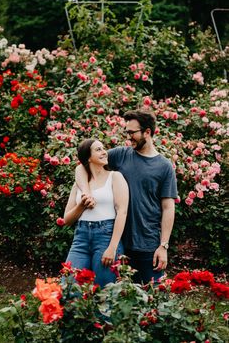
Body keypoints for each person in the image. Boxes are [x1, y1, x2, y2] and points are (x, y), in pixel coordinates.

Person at [75, 109, 178, 285]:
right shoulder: (120, 155)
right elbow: (82, 166)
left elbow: (168, 207)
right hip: (116, 242)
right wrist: (86, 191)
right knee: (115, 298)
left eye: (132, 133)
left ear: (147, 132)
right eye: (127, 132)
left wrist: (163, 246)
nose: (128, 137)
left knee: (150, 299)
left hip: (147, 244)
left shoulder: (164, 166)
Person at [63, 138, 129, 288]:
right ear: (88, 157)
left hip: (106, 236)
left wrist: (112, 248)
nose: (104, 151)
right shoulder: (80, 183)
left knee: (105, 291)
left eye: (103, 148)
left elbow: (122, 212)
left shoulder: (115, 177)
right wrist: (82, 205)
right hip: (81, 238)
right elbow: (67, 219)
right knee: (69, 286)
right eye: (98, 149)